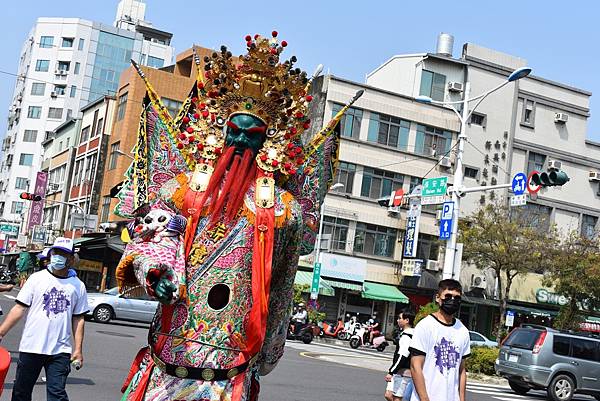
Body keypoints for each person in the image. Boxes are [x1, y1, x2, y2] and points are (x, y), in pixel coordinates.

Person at [113, 32, 363, 401]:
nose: (242, 141)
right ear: (220, 131)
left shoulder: (283, 209)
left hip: (231, 366)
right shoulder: (184, 190)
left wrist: (269, 341)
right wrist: (155, 273)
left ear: (268, 140)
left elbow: (281, 280)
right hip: (171, 355)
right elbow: (151, 237)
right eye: (235, 131)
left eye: (253, 134)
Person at [0, 237, 88, 401]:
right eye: (56, 252)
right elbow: (19, 308)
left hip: (60, 351)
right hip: (32, 346)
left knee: (57, 394)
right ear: (50, 254)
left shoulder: (78, 286)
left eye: (63, 254)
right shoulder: (36, 279)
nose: (58, 256)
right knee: (21, 392)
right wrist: (1, 332)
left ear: (70, 259)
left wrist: (78, 350)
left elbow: (78, 319)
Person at [409, 279, 470, 401]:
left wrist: (462, 399)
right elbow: (415, 366)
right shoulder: (425, 326)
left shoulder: (462, 330)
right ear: (438, 298)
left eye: (457, 298)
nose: (452, 301)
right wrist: (424, 398)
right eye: (448, 296)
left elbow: (461, 370)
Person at [385, 309, 415, 401]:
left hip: (403, 372)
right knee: (389, 395)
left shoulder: (407, 336)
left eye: (399, 318)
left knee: (397, 398)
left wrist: (391, 371)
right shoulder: (406, 334)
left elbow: (402, 356)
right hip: (399, 371)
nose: (397, 320)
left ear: (407, 320)